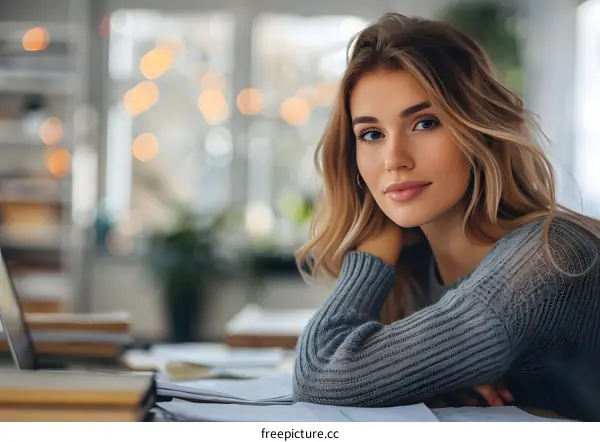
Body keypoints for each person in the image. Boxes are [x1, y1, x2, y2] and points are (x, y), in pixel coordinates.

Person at [292, 12, 600, 422]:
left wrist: (370, 254)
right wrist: (430, 378)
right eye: (371, 134)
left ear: (478, 130)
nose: (394, 160)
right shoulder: (415, 267)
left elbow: (322, 374)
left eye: (425, 123)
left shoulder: (550, 258)